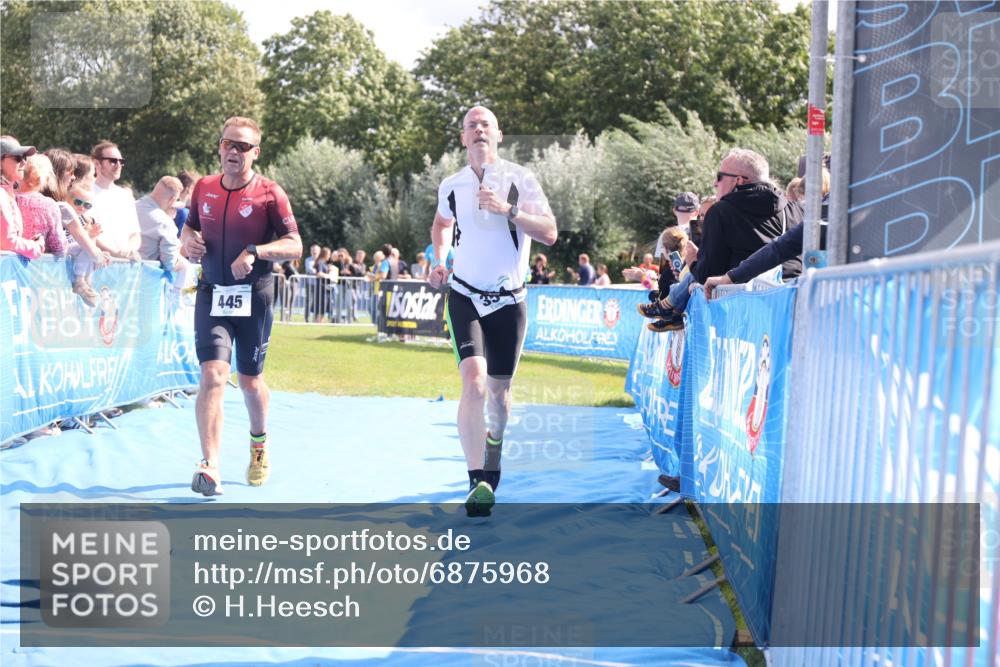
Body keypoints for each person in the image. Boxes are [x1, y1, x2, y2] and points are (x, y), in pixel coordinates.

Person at [428, 105, 557, 516]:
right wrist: (440, 259)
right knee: (474, 381)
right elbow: (441, 223)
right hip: (464, 294)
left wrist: (508, 211)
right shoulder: (451, 184)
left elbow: (551, 234)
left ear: (498, 136)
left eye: (486, 125)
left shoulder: (522, 179)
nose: (479, 130)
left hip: (510, 300)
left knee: (499, 394)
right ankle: (476, 480)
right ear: (463, 138)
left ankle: (494, 446)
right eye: (471, 126)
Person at [181, 116, 302, 496]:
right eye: (228, 144)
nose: (234, 152)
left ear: (256, 153)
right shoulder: (203, 187)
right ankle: (210, 464)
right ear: (219, 147)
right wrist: (188, 242)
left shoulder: (270, 193)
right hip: (212, 293)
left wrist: (256, 251)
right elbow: (190, 228)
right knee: (213, 375)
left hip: (254, 297)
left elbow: (295, 244)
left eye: (243, 147)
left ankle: (258, 444)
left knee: (249, 381)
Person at [638, 148, 803, 329]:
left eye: (719, 177)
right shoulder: (796, 210)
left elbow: (707, 274)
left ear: (738, 180)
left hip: (742, 317)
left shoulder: (721, 212)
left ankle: (668, 307)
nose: (715, 183)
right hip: (793, 305)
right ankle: (668, 306)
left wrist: (693, 261)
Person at [90, 141, 141, 262]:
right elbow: (86, 233)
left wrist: (130, 250)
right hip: (97, 264)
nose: (118, 165)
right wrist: (115, 255)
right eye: (112, 161)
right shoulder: (85, 193)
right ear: (97, 163)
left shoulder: (125, 195)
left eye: (121, 161)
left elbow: (135, 234)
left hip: (124, 266)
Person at [1, 136, 45, 259]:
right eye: (18, 158)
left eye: (24, 157)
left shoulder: (6, 193)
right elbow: (7, 242)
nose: (24, 162)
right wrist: (35, 247)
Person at [16, 154, 66, 256]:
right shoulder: (48, 205)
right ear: (45, 177)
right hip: (37, 267)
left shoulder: (6, 198)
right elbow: (58, 246)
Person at [137, 176, 187, 274]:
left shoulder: (131, 206)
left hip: (119, 272)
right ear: (172, 199)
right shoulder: (165, 222)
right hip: (146, 279)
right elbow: (169, 263)